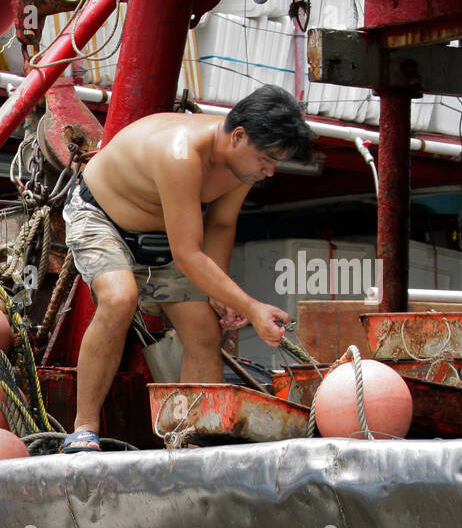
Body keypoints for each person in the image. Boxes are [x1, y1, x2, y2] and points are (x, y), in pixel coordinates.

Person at [61, 84, 313, 452]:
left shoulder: (242, 167)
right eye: (268, 158)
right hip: (100, 218)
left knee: (204, 329)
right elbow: (189, 255)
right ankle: (83, 429)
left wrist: (219, 293)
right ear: (239, 137)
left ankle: (194, 439)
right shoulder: (181, 154)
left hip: (163, 234)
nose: (270, 171)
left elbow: (222, 225)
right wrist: (251, 308)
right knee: (119, 298)